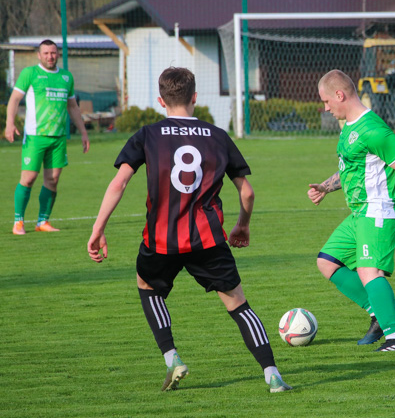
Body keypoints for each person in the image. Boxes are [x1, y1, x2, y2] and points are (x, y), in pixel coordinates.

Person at [87, 67, 291, 393]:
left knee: (147, 284)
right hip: (208, 238)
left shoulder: (147, 135)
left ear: (160, 101)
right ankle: (272, 374)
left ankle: (172, 357)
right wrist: (242, 225)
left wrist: (98, 228)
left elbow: (120, 182)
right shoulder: (218, 136)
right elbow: (248, 192)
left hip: (160, 239)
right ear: (195, 98)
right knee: (238, 303)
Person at [308, 70, 395, 351]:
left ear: (340, 95)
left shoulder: (373, 128)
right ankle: (377, 313)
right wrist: (325, 187)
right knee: (327, 262)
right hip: (361, 211)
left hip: (381, 208)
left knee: (368, 270)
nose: (326, 107)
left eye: (327, 101)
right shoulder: (349, 127)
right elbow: (352, 169)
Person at [5, 39, 90, 235]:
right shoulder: (30, 74)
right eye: (46, 53)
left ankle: (43, 221)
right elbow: (15, 99)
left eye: (53, 53)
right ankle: (18, 221)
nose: (50, 56)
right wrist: (10, 122)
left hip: (58, 138)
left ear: (57, 54)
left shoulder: (66, 77)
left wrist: (84, 132)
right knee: (28, 178)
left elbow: (72, 107)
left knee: (53, 180)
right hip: (35, 136)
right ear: (39, 55)